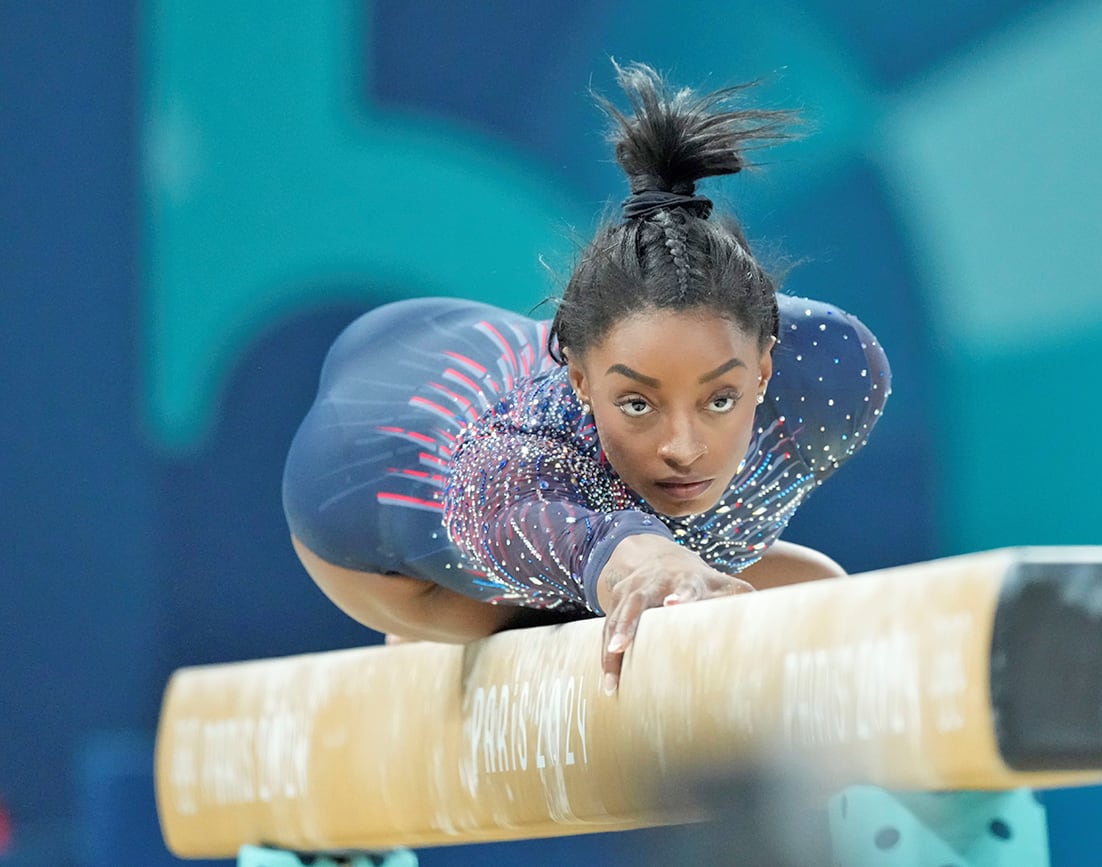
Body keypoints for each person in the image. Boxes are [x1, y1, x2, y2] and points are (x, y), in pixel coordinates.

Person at [282, 63, 891, 694]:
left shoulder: (834, 373)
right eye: (636, 403)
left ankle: (659, 537)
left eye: (720, 397)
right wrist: (649, 560)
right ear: (576, 377)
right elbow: (599, 540)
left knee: (814, 593)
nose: (683, 446)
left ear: (764, 366)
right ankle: (605, 569)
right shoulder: (512, 469)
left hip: (535, 403)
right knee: (532, 606)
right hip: (382, 487)